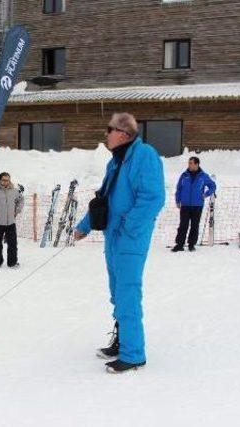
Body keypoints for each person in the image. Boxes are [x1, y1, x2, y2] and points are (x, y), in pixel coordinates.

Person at [74, 113, 165, 373]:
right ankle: (123, 340)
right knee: (117, 293)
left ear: (123, 134)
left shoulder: (145, 155)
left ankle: (134, 354)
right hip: (113, 237)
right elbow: (104, 201)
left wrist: (128, 226)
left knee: (128, 293)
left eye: (109, 129)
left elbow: (153, 198)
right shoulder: (115, 162)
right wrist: (84, 226)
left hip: (130, 239)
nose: (106, 134)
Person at [172, 157, 216, 252]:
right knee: (183, 225)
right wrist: (177, 200)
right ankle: (179, 244)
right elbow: (179, 188)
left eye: (191, 163)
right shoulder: (184, 175)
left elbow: (213, 186)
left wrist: (206, 194)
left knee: (195, 225)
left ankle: (191, 244)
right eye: (189, 163)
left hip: (197, 205)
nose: (189, 165)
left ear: (197, 164)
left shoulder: (203, 176)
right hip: (185, 205)